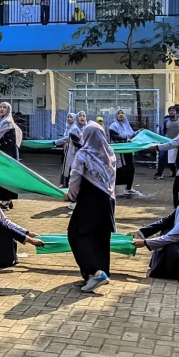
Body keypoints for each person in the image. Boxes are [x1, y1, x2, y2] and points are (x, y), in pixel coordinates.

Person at [65, 122, 117, 293]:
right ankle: (96, 275)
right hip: (108, 200)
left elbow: (75, 177)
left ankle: (95, 272)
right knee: (101, 238)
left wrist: (70, 195)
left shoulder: (84, 154)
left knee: (77, 234)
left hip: (89, 200)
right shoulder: (110, 153)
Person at [108, 109, 136, 198]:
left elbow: (132, 136)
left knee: (131, 168)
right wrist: (126, 139)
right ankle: (113, 188)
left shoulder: (127, 126)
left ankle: (128, 188)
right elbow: (115, 137)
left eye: (122, 113)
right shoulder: (113, 126)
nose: (120, 115)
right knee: (119, 169)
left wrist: (140, 132)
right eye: (118, 113)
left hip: (128, 152)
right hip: (119, 153)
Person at [56, 112, 86, 189]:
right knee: (69, 167)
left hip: (82, 151)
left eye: (84, 116)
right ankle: (67, 184)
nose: (82, 118)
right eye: (80, 116)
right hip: (72, 151)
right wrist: (57, 142)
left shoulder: (86, 128)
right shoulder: (73, 129)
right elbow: (74, 141)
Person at [155, 106, 179, 179]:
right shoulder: (166, 121)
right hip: (167, 142)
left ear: (176, 112)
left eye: (173, 110)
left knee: (174, 159)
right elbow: (163, 131)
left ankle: (174, 171)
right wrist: (162, 140)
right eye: (170, 111)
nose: (171, 112)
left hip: (177, 142)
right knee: (162, 156)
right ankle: (159, 173)